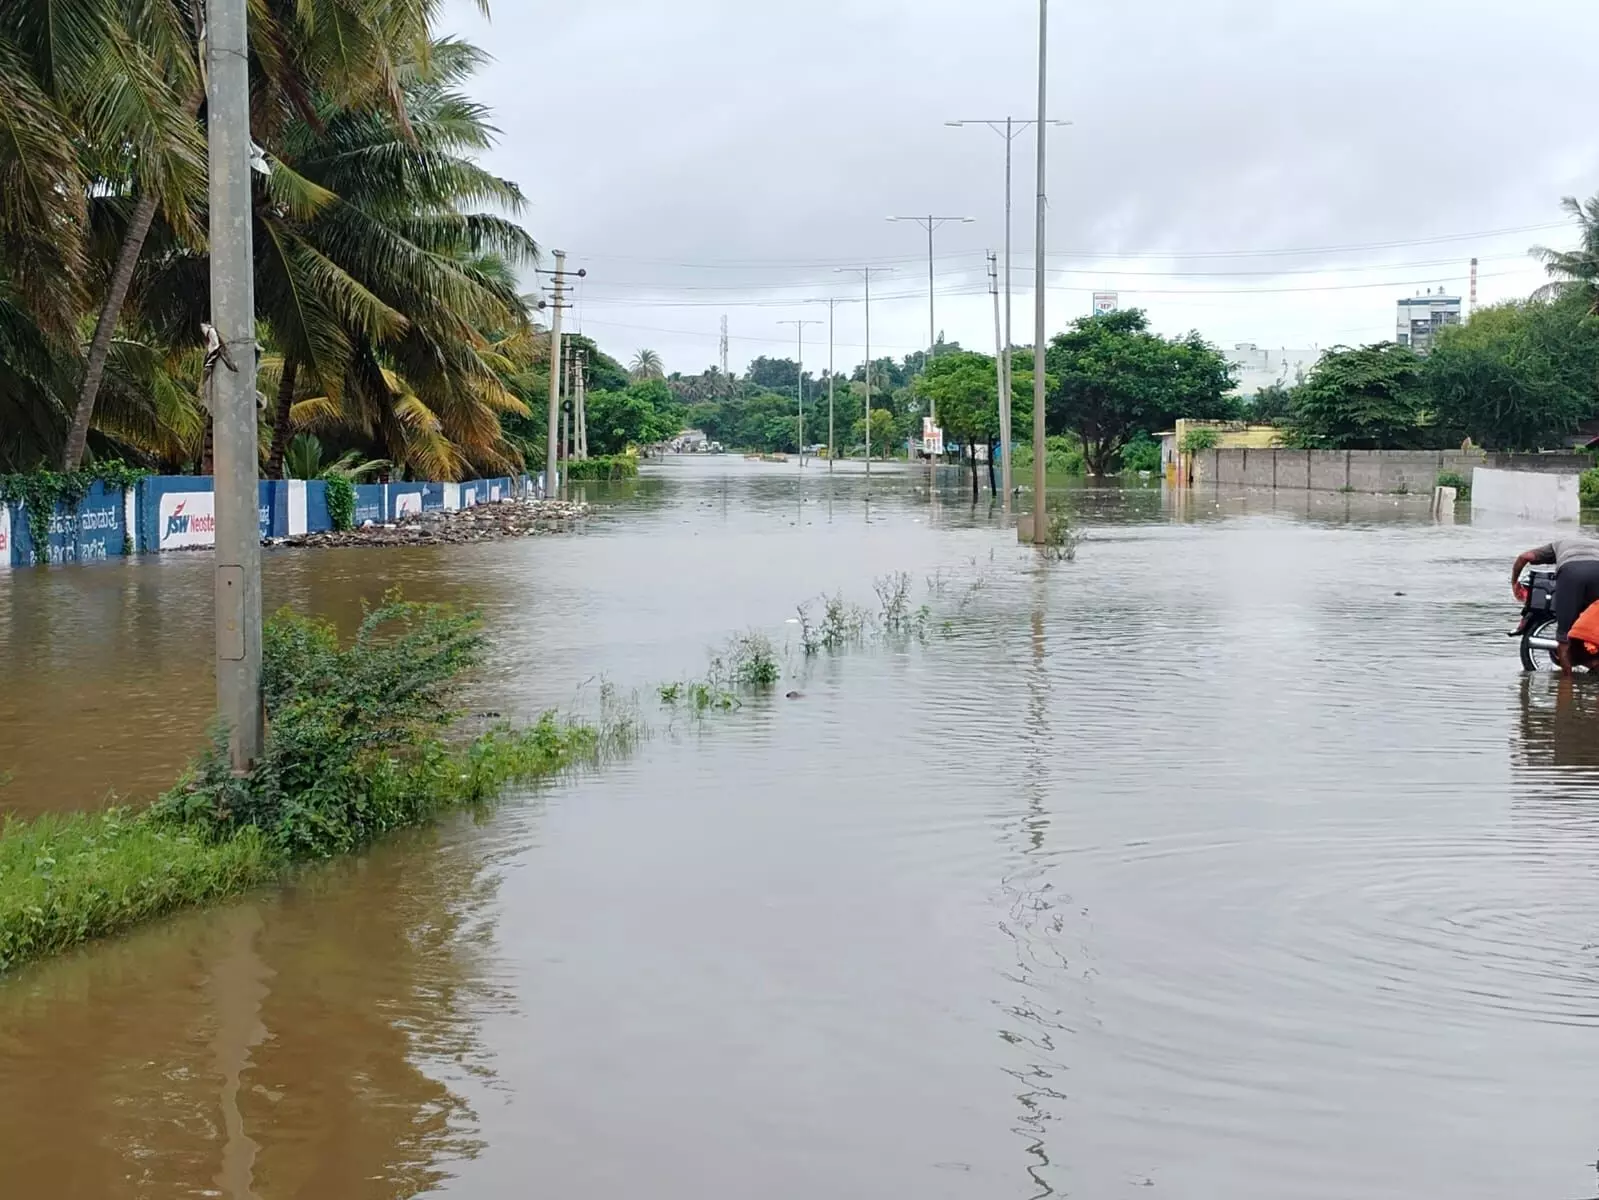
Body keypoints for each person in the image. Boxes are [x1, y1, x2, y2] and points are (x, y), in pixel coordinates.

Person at [1512, 537, 1599, 676]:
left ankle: (1566, 682)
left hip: (1571, 574)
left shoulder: (1559, 545)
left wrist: (1514, 583)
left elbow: (1525, 557)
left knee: (1563, 636)